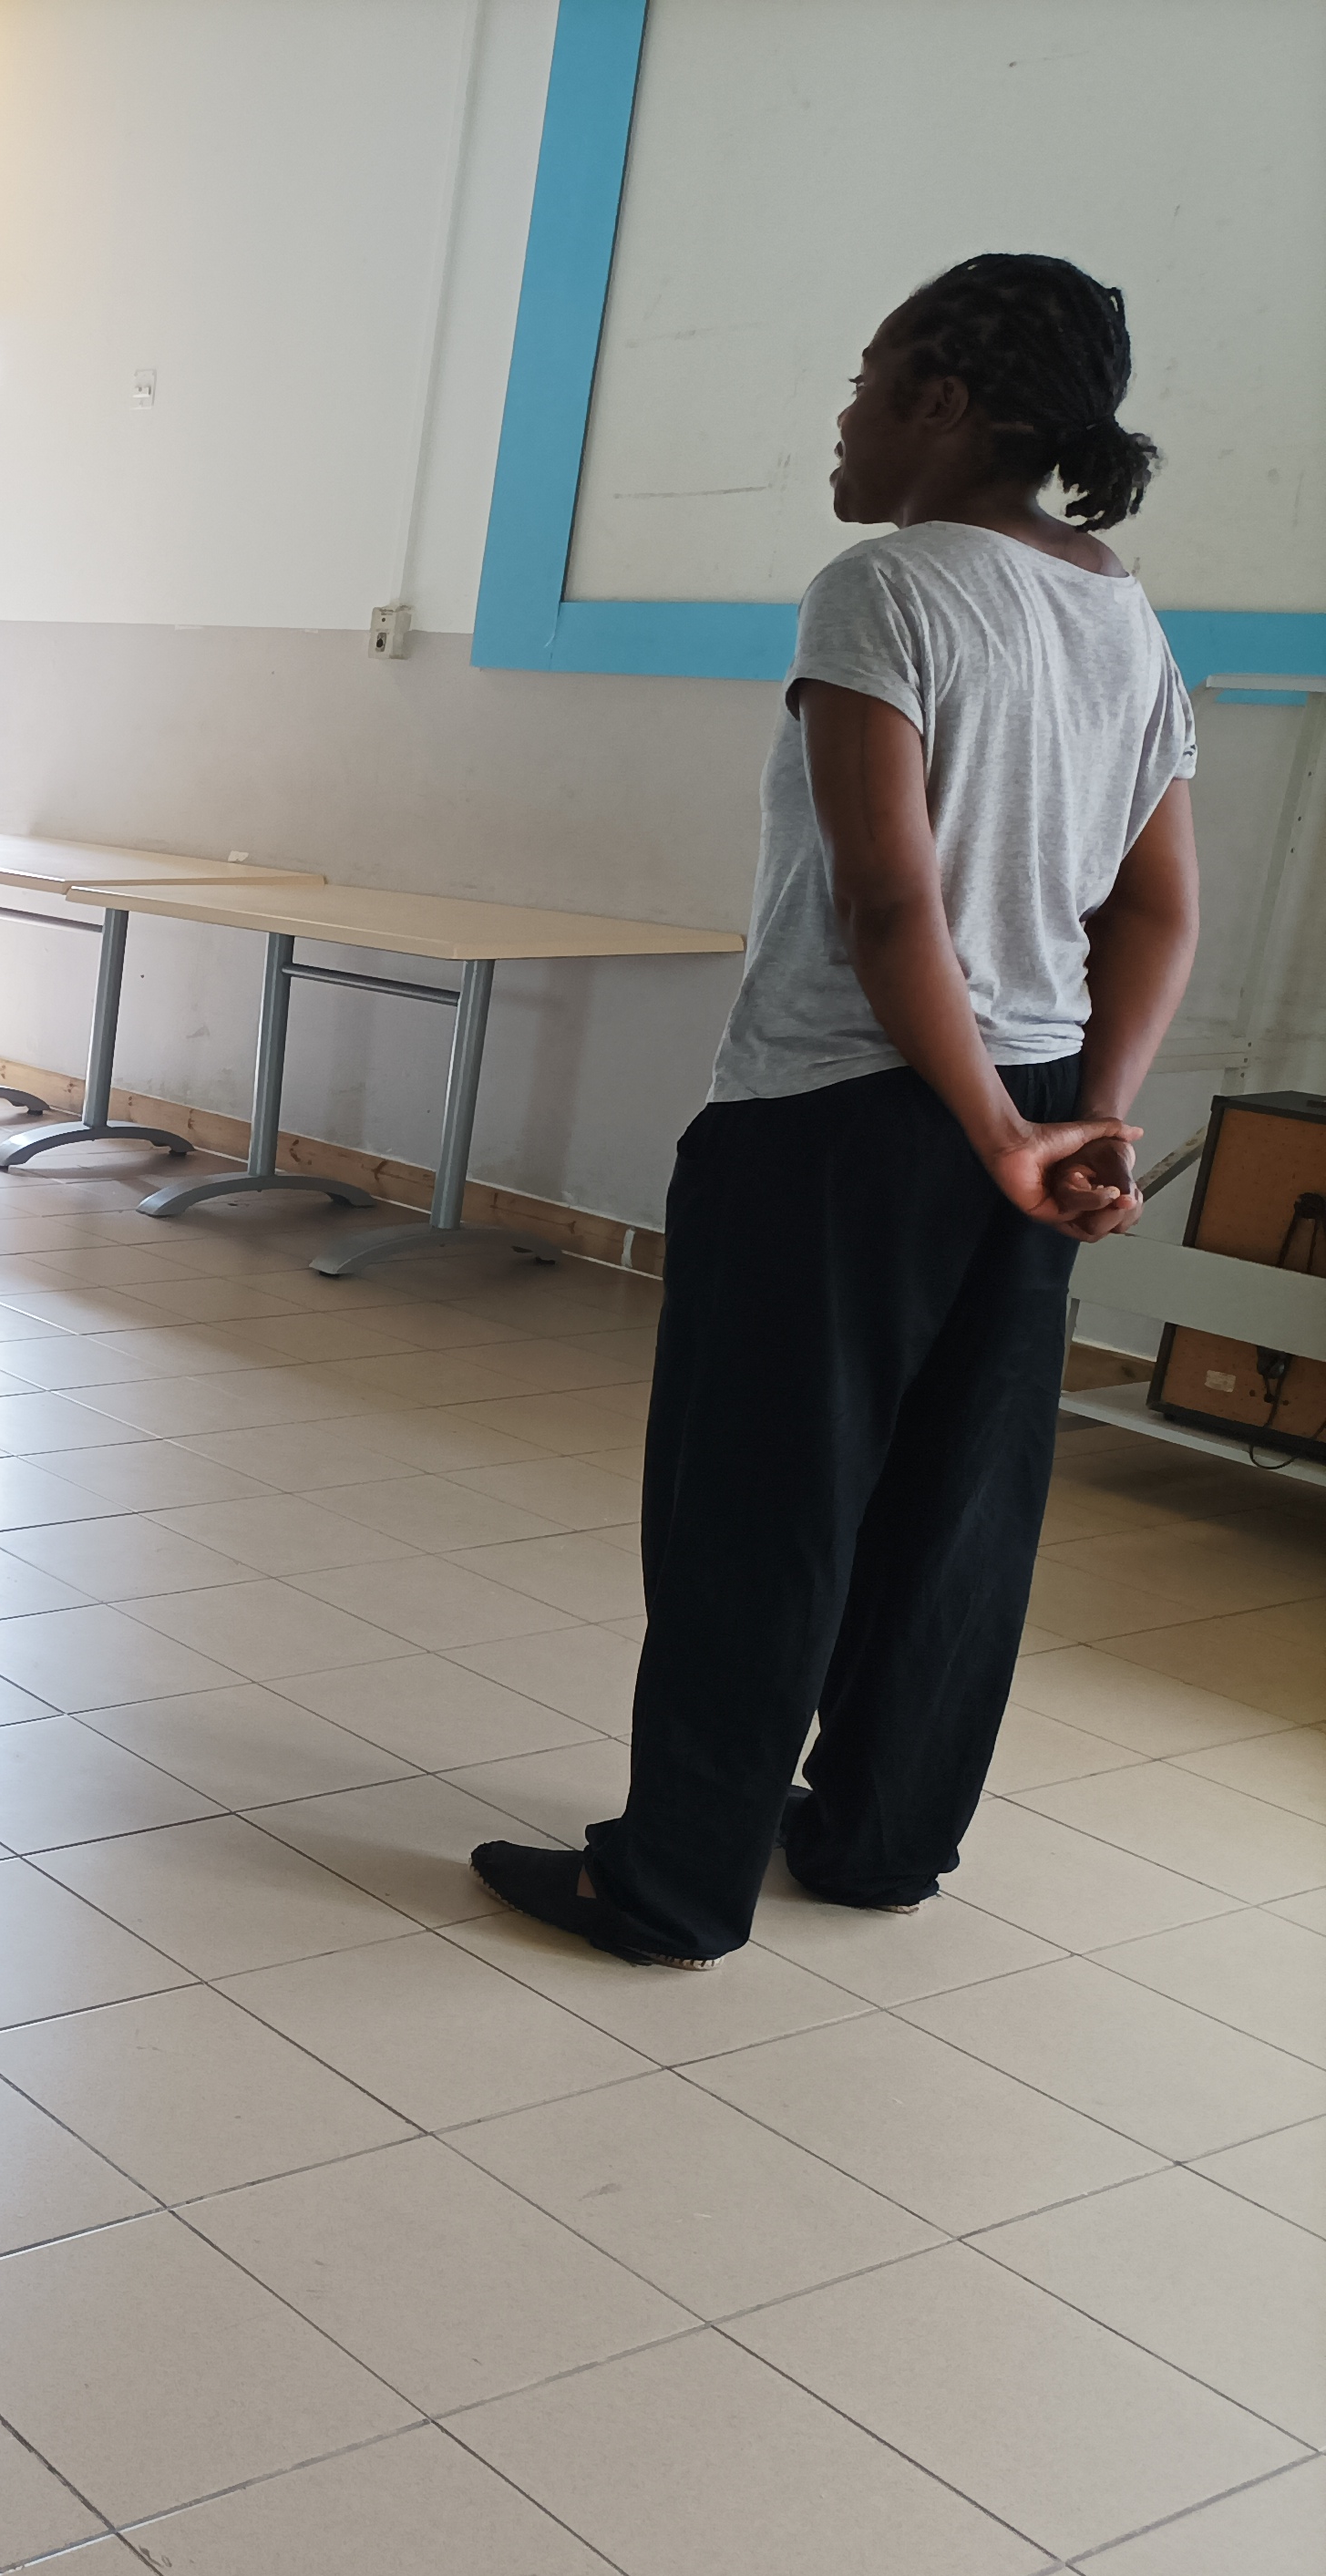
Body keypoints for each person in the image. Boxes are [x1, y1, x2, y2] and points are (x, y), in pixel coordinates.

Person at [473, 254, 1198, 1972]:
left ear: (945, 401)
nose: (846, 416)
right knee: (960, 1503)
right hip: (1035, 1110)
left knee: (762, 1502)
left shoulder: (883, 587)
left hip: (840, 1116)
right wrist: (1080, 1120)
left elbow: (889, 903)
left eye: (869, 380)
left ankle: (670, 1883)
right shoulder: (1120, 609)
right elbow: (1158, 908)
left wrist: (988, 1126)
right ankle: (880, 1839)